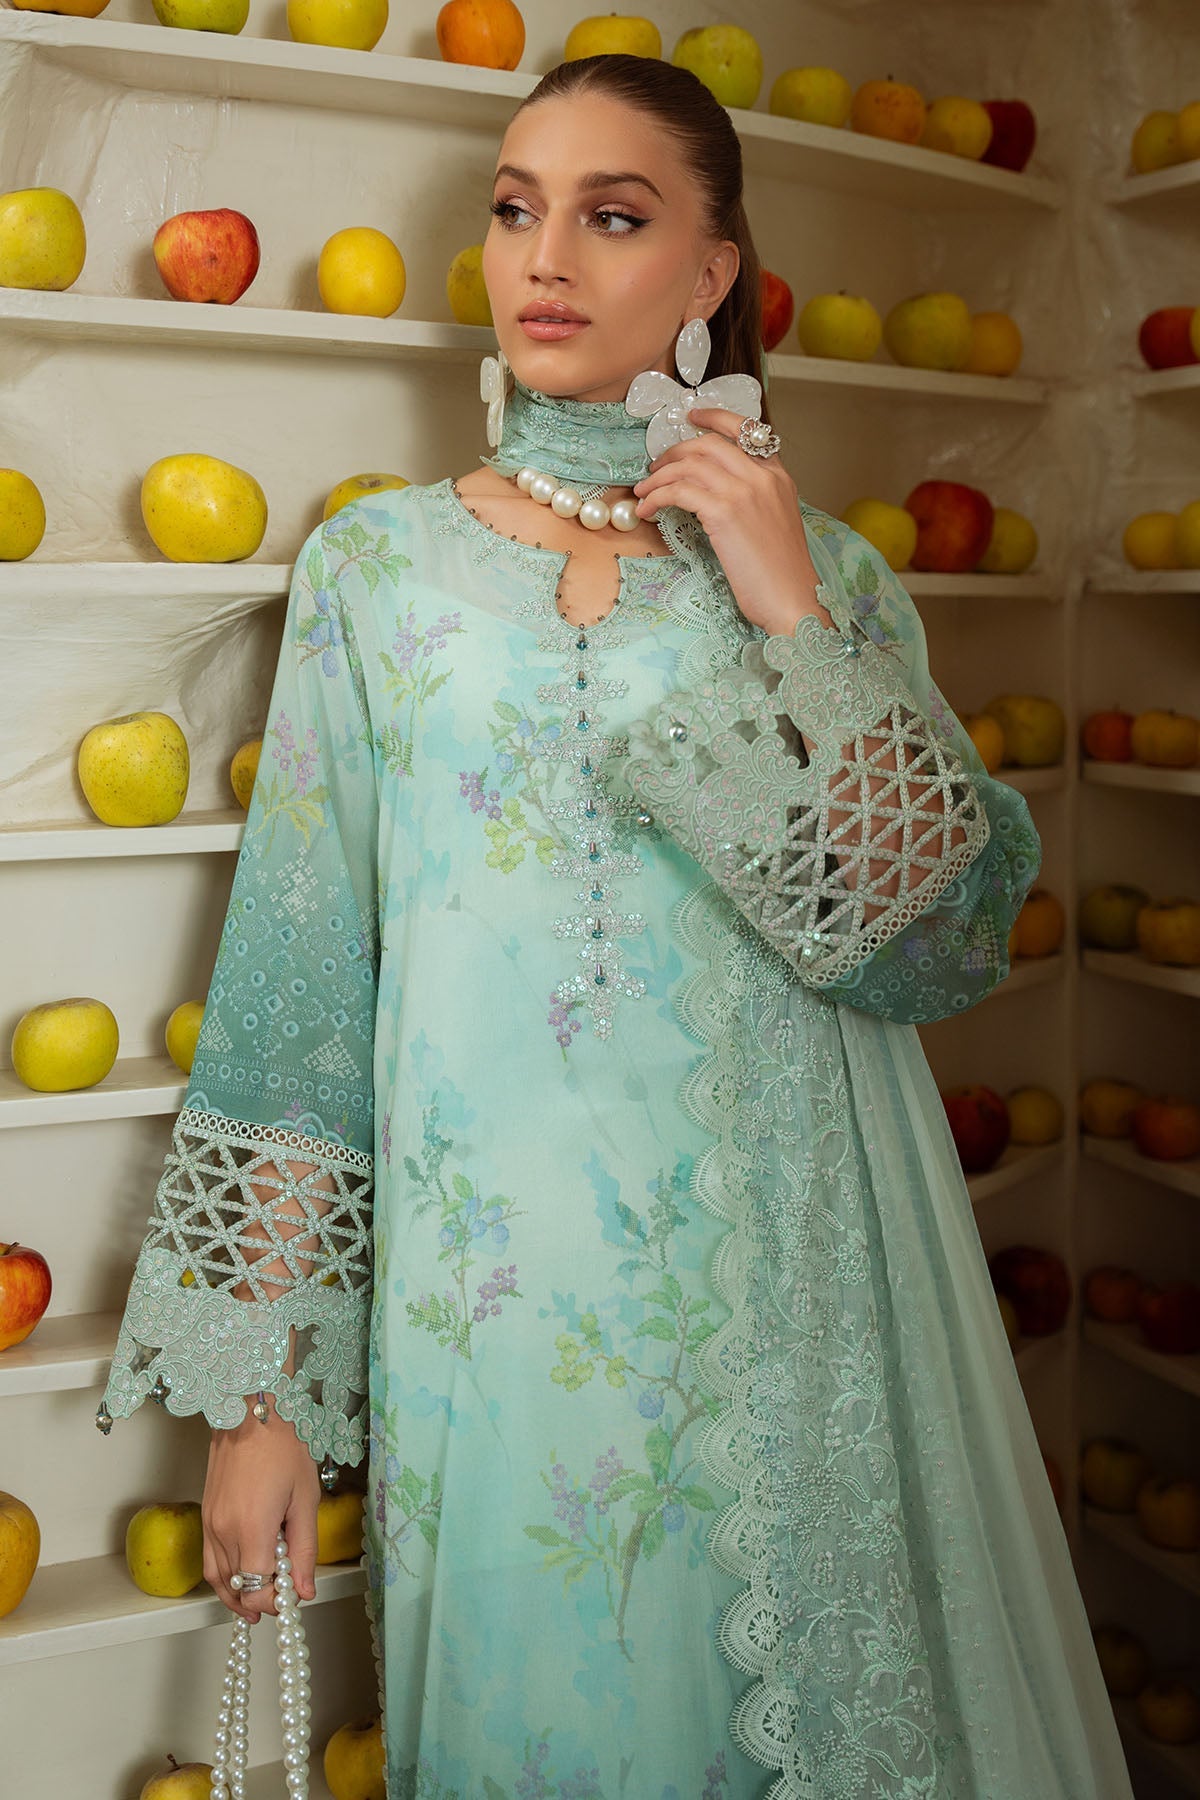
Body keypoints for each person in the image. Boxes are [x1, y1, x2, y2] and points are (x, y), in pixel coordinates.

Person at [97, 52, 1136, 1800]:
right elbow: (300, 994)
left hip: (781, 1299)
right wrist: (261, 1405)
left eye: (614, 215)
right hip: (489, 1324)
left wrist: (785, 599)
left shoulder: (830, 576)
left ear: (714, 272)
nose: (547, 256)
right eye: (517, 209)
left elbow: (938, 946)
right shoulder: (379, 574)